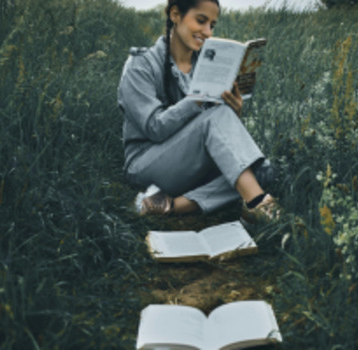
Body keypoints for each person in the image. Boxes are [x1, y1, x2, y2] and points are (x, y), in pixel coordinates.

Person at [117, 0, 279, 222]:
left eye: (212, 25)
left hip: (190, 161)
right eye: (201, 21)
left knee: (261, 171)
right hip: (146, 163)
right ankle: (257, 205)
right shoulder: (140, 65)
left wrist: (235, 111)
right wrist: (198, 100)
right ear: (175, 14)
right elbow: (155, 129)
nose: (207, 32)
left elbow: (213, 132)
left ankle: (171, 205)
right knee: (244, 169)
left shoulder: (206, 64)